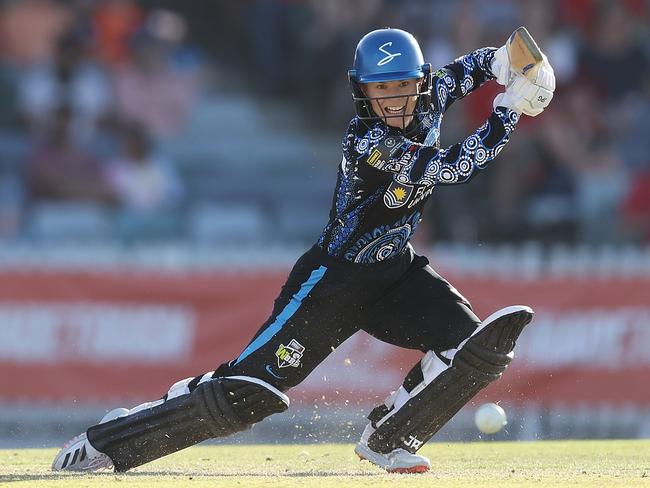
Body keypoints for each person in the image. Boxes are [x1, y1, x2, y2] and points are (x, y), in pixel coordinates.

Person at [52, 28, 555, 474]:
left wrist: (517, 63)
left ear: (419, 81)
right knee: (249, 396)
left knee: (468, 349)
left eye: (403, 86)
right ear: (363, 94)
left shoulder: (432, 91)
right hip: (331, 281)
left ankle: (388, 439)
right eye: (382, 91)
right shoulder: (368, 141)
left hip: (394, 274)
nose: (396, 101)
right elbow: (450, 169)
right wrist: (509, 112)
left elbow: (484, 64)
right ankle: (110, 441)